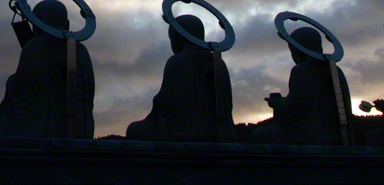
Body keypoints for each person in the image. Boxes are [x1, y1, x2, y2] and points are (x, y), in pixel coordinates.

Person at [0, 0, 95, 138]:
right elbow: (89, 93)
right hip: (80, 129)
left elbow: (19, 91)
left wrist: (11, 82)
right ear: (67, 24)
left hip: (39, 126)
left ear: (37, 24)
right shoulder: (81, 51)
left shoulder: (34, 47)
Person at [126, 14, 234, 142]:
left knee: (133, 129)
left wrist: (157, 101)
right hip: (220, 131)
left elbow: (165, 105)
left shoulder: (178, 61)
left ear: (179, 37)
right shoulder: (218, 62)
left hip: (183, 129)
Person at [251, 26, 353, 144]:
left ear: (299, 50)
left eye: (292, 50)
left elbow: (293, 108)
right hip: (336, 135)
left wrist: (276, 102)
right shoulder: (336, 70)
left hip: (309, 134)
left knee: (259, 134)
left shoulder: (301, 70)